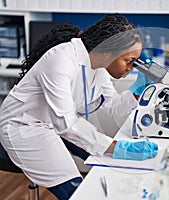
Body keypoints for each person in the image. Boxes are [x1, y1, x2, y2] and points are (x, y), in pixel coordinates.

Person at [0, 13, 158, 199]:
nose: (131, 68)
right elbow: (66, 124)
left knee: (107, 162)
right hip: (24, 127)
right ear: (108, 50)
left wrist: (138, 90)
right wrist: (118, 146)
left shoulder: (98, 65)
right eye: (129, 61)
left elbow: (113, 107)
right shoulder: (61, 61)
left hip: (54, 123)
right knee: (77, 192)